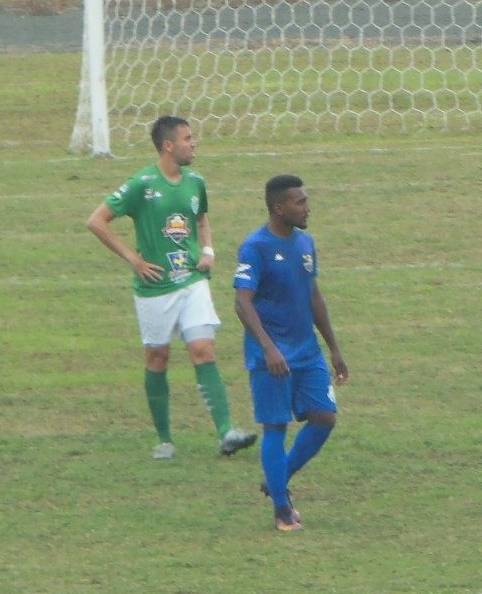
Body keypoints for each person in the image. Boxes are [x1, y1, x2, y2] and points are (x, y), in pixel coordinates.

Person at [87, 115, 257, 460]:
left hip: (192, 282)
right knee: (157, 357)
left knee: (204, 350)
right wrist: (133, 259)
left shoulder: (195, 181)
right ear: (169, 145)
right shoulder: (141, 184)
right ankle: (165, 439)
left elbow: (200, 218)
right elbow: (96, 220)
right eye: (187, 138)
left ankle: (227, 432)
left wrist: (207, 251)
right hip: (154, 289)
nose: (194, 144)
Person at [233, 175, 348, 531]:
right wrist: (268, 348)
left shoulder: (305, 243)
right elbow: (242, 302)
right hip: (273, 356)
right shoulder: (256, 247)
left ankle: (277, 478)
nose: (307, 207)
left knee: (324, 417)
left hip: (307, 351)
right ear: (279, 208)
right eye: (299, 202)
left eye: (306, 200)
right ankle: (282, 511)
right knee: (276, 427)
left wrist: (333, 348)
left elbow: (312, 295)